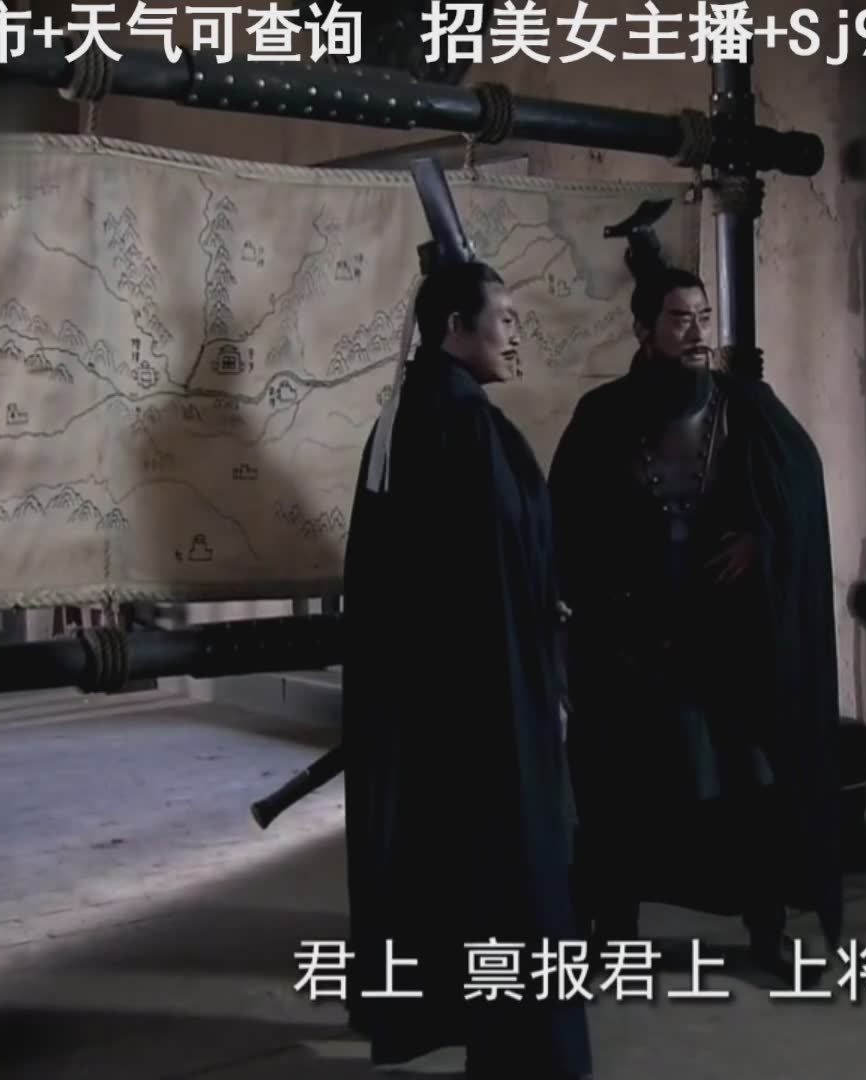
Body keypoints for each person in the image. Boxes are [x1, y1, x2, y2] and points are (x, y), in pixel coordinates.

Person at [548, 265, 843, 977]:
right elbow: (566, 521)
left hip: (728, 634)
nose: (696, 332)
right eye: (679, 319)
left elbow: (798, 496)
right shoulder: (603, 416)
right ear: (644, 330)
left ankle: (766, 928)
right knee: (617, 787)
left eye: (703, 317)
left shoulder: (747, 408)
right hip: (630, 631)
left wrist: (761, 539)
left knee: (751, 785)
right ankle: (613, 927)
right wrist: (597, 604)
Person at [341, 260, 591, 1080]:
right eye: (504, 317)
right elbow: (487, 578)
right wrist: (535, 680)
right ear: (455, 326)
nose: (515, 333)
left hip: (439, 695)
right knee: (510, 868)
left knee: (444, 862)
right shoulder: (457, 423)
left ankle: (451, 1022)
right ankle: (524, 1054)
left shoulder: (413, 414)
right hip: (487, 694)